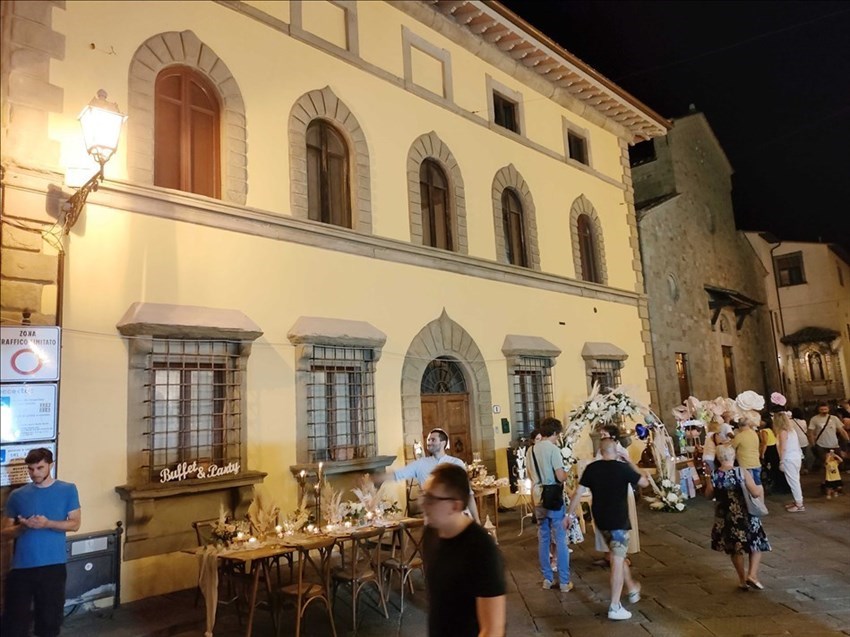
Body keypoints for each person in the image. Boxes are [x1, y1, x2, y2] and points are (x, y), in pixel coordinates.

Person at [1, 448, 81, 637]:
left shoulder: (68, 490)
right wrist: (23, 527)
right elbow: (4, 533)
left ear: (50, 466)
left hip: (53, 566)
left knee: (49, 622)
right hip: (21, 567)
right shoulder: (17, 495)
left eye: (40, 468)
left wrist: (48, 523)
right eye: (31, 469)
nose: (35, 473)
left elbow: (75, 524)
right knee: (14, 623)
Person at [567, 438, 649, 621]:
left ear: (601, 451)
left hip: (601, 521)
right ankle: (614, 606)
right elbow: (644, 482)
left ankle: (632, 588)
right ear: (616, 451)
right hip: (618, 521)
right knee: (617, 562)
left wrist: (569, 515)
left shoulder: (592, 468)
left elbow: (578, 493)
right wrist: (630, 462)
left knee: (616, 555)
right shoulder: (623, 468)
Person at [420, 464, 506, 637]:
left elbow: (493, 630)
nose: (423, 505)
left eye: (431, 499)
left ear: (455, 506)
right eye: (423, 496)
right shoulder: (431, 533)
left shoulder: (482, 549)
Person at [705, 444, 771, 591]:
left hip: (726, 517)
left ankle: (742, 580)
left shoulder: (714, 475)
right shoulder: (741, 472)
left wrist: (709, 480)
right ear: (733, 456)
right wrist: (760, 489)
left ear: (718, 458)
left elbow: (709, 495)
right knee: (756, 544)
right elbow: (755, 492)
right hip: (745, 514)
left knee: (735, 548)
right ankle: (752, 575)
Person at [383, 428, 480, 522]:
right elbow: (398, 475)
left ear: (443, 443)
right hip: (434, 520)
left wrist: (477, 519)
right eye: (428, 440)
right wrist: (378, 477)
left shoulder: (456, 463)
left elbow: (468, 493)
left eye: (433, 440)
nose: (429, 442)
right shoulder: (420, 464)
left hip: (457, 518)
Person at [526, 417, 572, 592]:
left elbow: (530, 475)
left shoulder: (530, 450)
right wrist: (567, 475)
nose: (557, 438)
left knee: (543, 538)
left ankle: (547, 579)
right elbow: (560, 476)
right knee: (560, 538)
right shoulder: (553, 449)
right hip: (553, 497)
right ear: (554, 433)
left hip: (538, 496)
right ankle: (564, 582)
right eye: (557, 435)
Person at [592, 425, 639, 560]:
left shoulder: (621, 451)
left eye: (604, 435)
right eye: (601, 435)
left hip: (620, 490)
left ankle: (623, 555)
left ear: (613, 437)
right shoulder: (601, 451)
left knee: (620, 521)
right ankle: (607, 553)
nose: (602, 437)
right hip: (604, 489)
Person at [773, 412, 804, 512]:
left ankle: (799, 504)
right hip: (796, 457)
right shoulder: (792, 430)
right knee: (795, 480)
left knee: (793, 481)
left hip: (788, 458)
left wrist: (781, 461)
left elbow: (783, 448)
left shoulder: (782, 432)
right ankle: (797, 501)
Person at [808, 402, 849, 468]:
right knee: (826, 463)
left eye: (825, 409)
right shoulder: (814, 419)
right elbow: (810, 433)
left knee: (839, 463)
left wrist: (847, 440)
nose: (824, 411)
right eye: (822, 410)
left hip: (834, 444)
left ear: (828, 409)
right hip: (821, 445)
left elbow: (841, 431)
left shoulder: (834, 418)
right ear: (818, 410)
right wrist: (813, 444)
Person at [730, 410, 762, 484]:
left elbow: (732, 448)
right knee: (758, 484)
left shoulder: (740, 436)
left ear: (739, 426)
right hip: (756, 462)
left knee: (749, 485)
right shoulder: (754, 433)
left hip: (746, 464)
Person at [789, 407, 814, 474]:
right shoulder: (803, 421)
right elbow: (805, 430)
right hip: (803, 440)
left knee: (797, 455)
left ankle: (799, 468)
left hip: (794, 441)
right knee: (804, 455)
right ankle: (805, 468)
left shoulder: (789, 422)